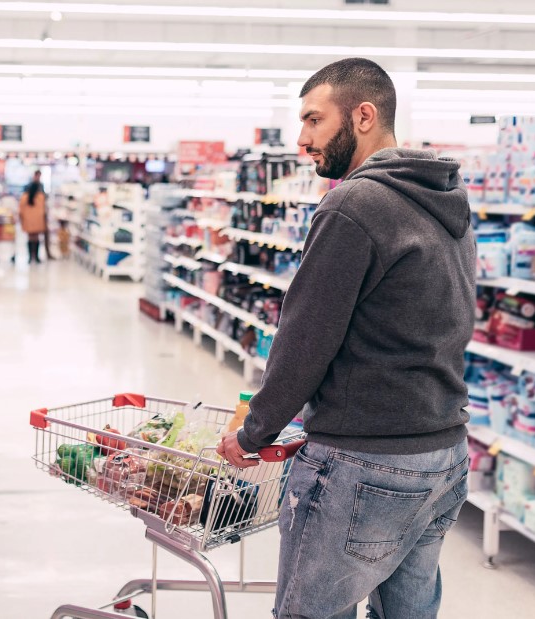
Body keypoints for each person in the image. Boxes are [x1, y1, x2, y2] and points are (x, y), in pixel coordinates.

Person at [216, 58, 475, 619]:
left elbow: (305, 338)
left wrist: (255, 430)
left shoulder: (354, 204)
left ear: (362, 116)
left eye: (313, 120)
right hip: (443, 454)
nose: (302, 139)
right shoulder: (448, 202)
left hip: (366, 462)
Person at [19, 170, 47, 264]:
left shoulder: (31, 191)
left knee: (32, 237)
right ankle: (34, 256)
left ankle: (32, 256)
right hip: (36, 218)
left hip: (30, 218)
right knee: (35, 237)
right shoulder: (38, 191)